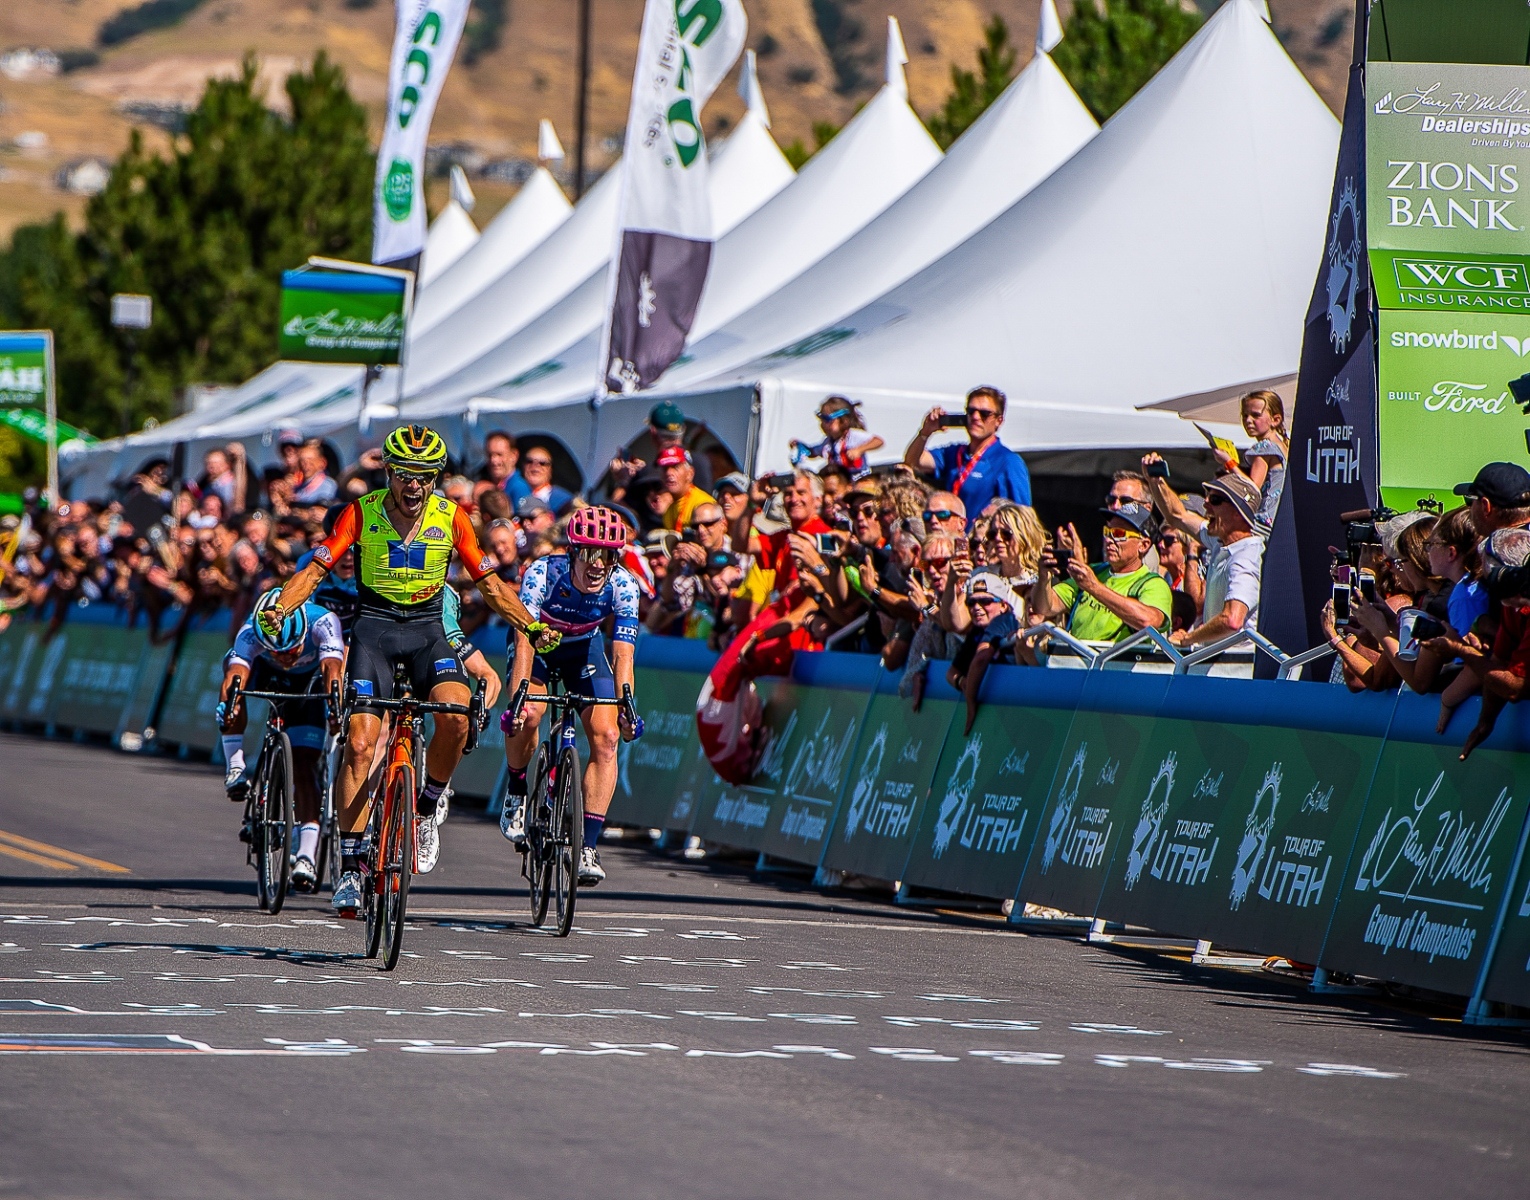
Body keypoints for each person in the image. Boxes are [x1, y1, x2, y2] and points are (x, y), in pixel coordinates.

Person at [257, 425, 554, 915]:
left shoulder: (452, 517)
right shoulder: (361, 512)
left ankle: (427, 805)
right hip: (374, 629)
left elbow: (492, 583)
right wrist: (283, 607)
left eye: (424, 476)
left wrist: (532, 625)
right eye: (405, 475)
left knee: (457, 716)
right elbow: (315, 568)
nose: (414, 486)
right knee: (358, 744)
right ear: (389, 473)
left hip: (427, 629)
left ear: (435, 477)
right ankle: (351, 866)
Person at [500, 507, 644, 885]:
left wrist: (627, 704)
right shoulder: (544, 573)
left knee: (608, 737)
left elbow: (623, 653)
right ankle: (516, 791)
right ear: (574, 552)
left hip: (585, 650)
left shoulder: (624, 585)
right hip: (539, 645)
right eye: (591, 554)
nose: (599, 565)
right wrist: (517, 697)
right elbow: (524, 639)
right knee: (528, 715)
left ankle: (587, 847)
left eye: (609, 556)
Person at [217, 590, 345, 892]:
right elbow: (236, 674)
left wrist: (335, 710)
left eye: (291, 651)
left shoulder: (323, 622)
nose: (286, 658)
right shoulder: (251, 631)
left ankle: (306, 855)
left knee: (303, 763)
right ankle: (235, 765)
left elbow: (332, 672)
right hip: (265, 673)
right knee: (234, 689)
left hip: (310, 681)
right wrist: (231, 704)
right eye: (278, 652)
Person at [1143, 458, 1266, 649]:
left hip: (1235, 670)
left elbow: (1232, 620)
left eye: (1215, 500)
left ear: (1238, 513)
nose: (1206, 503)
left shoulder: (1246, 559)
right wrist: (1154, 480)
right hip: (1219, 664)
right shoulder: (1221, 540)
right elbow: (1177, 515)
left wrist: (1188, 638)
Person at [1030, 503, 1173, 646]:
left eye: (1119, 534)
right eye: (1107, 531)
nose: (1109, 539)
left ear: (1144, 545)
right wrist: (1044, 579)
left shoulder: (1153, 584)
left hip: (1115, 665)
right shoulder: (1095, 572)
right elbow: (1044, 608)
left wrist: (1095, 587)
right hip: (1075, 663)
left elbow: (1149, 621)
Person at [903, 386, 1031, 525]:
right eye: (971, 411)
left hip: (981, 543)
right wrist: (925, 432)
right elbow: (912, 461)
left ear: (999, 421)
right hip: (952, 539)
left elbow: (1022, 516)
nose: (976, 417)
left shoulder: (1008, 461)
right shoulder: (954, 452)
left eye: (984, 414)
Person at [1213, 390, 1289, 528]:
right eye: (1245, 415)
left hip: (1264, 520)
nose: (1248, 420)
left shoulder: (1264, 447)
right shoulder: (1285, 444)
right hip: (1280, 520)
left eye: (1255, 415)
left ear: (1275, 419)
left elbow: (1252, 488)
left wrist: (1229, 462)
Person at [790, 396, 884, 475]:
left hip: (859, 479)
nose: (822, 424)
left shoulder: (853, 436)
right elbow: (814, 453)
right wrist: (801, 447)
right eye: (821, 419)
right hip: (841, 482)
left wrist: (859, 450)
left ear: (844, 421)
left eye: (827, 420)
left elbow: (878, 441)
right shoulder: (828, 442)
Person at [659, 446, 715, 531]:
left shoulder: (704, 504)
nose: (669, 473)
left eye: (675, 467)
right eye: (665, 468)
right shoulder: (668, 512)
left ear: (690, 473)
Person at [516, 445, 574, 515]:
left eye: (542, 463)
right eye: (529, 461)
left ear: (550, 470)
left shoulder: (564, 502)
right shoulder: (514, 494)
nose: (535, 467)